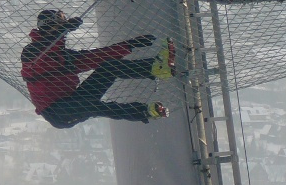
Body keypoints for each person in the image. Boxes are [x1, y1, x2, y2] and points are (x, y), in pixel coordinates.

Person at [21, 9, 176, 129]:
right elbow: (43, 52)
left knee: (109, 67)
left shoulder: (64, 56)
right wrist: (63, 30)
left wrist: (129, 45)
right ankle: (144, 111)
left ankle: (156, 68)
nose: (64, 29)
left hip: (74, 99)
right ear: (50, 25)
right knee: (92, 107)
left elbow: (97, 57)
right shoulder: (31, 53)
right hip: (58, 113)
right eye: (60, 23)